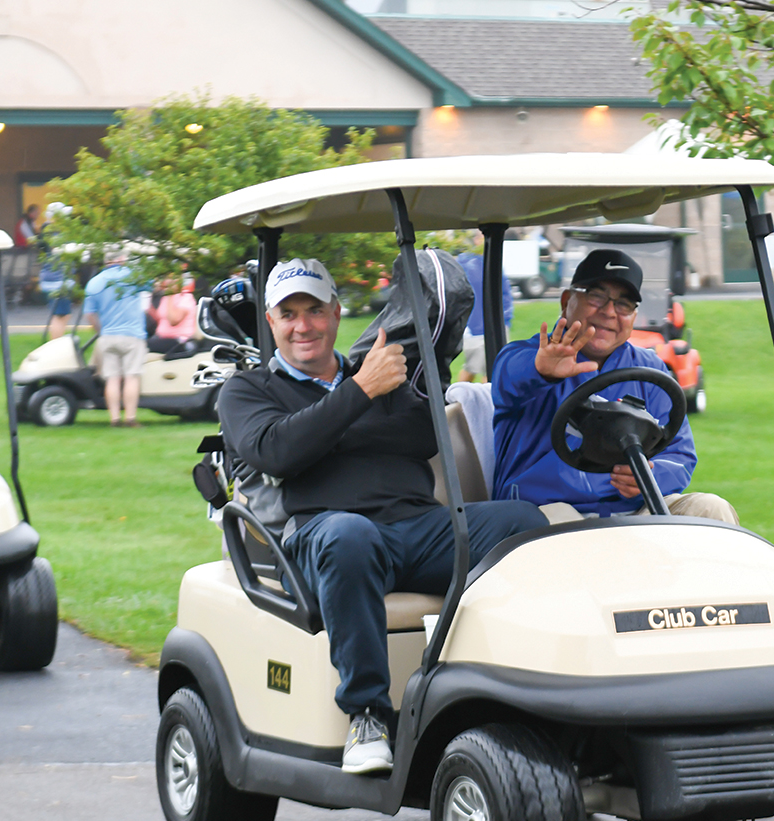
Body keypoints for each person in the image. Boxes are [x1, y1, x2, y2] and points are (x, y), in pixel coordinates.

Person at [219, 258, 547, 775]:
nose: (303, 326)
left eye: (314, 311)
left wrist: (329, 425)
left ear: (336, 313)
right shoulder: (249, 390)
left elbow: (421, 437)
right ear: (271, 322)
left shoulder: (382, 370)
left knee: (523, 524)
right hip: (324, 534)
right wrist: (360, 394)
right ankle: (367, 715)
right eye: (289, 314)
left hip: (416, 529)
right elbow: (277, 451)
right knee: (350, 535)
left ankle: (518, 692)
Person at [493, 249, 738, 524]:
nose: (609, 312)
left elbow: (679, 454)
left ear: (634, 315)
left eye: (624, 304)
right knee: (555, 523)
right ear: (566, 301)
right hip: (549, 510)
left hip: (634, 513)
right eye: (596, 297)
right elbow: (509, 381)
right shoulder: (526, 357)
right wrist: (541, 371)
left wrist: (652, 475)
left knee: (711, 509)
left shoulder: (650, 369)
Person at [85, 249, 147, 427]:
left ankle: (114, 418)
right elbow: (153, 286)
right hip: (132, 335)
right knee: (131, 377)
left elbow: (89, 314)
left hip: (108, 336)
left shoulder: (94, 283)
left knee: (112, 378)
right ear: (121, 258)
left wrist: (101, 330)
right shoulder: (133, 276)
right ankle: (130, 418)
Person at [456, 232, 515, 382]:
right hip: (474, 328)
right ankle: (458, 394)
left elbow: (505, 292)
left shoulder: (494, 263)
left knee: (492, 369)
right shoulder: (466, 263)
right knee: (472, 368)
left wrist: (505, 319)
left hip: (496, 325)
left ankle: (487, 395)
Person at [148, 276, 198, 355]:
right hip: (161, 337)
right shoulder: (165, 298)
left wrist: (170, 295)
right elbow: (160, 319)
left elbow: (173, 320)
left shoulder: (186, 298)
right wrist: (149, 303)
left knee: (146, 345)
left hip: (179, 340)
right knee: (143, 342)